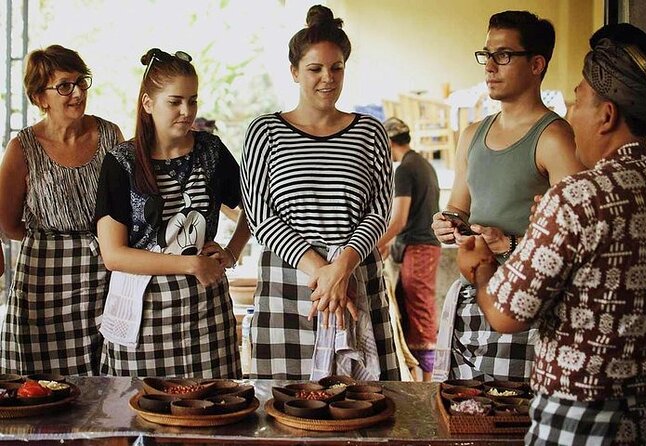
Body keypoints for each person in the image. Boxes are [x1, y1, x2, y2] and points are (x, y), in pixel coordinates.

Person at [457, 23, 646, 445]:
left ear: (607, 116)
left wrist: (480, 270)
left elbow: (505, 314)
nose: (571, 113)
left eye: (577, 101)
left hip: (583, 417)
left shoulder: (581, 196)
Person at [241, 4, 400, 380]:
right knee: (284, 407)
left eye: (336, 67)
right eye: (314, 69)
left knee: (363, 405)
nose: (327, 78)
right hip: (290, 283)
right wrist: (323, 275)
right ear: (295, 72)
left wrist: (342, 266)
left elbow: (379, 210)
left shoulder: (370, 131)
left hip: (355, 275)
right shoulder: (265, 131)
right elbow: (260, 216)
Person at [431, 10, 584, 381]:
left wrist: (509, 243)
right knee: (463, 411)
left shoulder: (553, 137)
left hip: (525, 302)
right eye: (487, 55)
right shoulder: (472, 133)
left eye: (504, 55)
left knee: (508, 417)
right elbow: (458, 207)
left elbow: (581, 232)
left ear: (536, 64)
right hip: (472, 297)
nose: (490, 67)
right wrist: (447, 222)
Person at [95, 48, 249, 377]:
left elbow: (255, 207)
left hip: (206, 306)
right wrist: (190, 263)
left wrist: (232, 252)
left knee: (215, 409)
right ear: (148, 103)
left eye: (192, 101)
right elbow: (113, 255)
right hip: (142, 308)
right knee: (140, 412)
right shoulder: (121, 162)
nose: (186, 111)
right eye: (175, 101)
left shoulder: (212, 150)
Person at [0, 45, 123, 375]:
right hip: (42, 283)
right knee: (40, 387)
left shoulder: (110, 135)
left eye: (82, 82)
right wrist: (56, 243)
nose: (78, 92)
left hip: (104, 277)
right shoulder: (22, 148)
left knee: (104, 386)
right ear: (41, 97)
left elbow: (127, 208)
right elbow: (8, 223)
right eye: (65, 85)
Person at [377, 117, 440, 382]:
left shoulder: (404, 169)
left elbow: (399, 219)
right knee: (412, 309)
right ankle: (421, 379)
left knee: (419, 314)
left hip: (419, 247)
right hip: (422, 246)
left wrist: (376, 242)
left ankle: (428, 384)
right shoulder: (423, 164)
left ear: (389, 142)